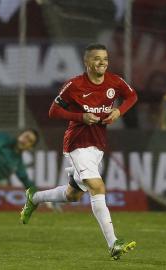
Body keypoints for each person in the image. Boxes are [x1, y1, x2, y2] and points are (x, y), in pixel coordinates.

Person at [20, 43, 138, 260]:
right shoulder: (74, 85)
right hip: (77, 144)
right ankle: (113, 244)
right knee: (97, 186)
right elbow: (53, 111)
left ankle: (34, 197)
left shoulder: (115, 81)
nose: (102, 62)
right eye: (97, 59)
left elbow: (132, 96)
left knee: (72, 194)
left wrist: (119, 111)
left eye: (105, 58)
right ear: (87, 63)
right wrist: (80, 117)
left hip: (97, 145)